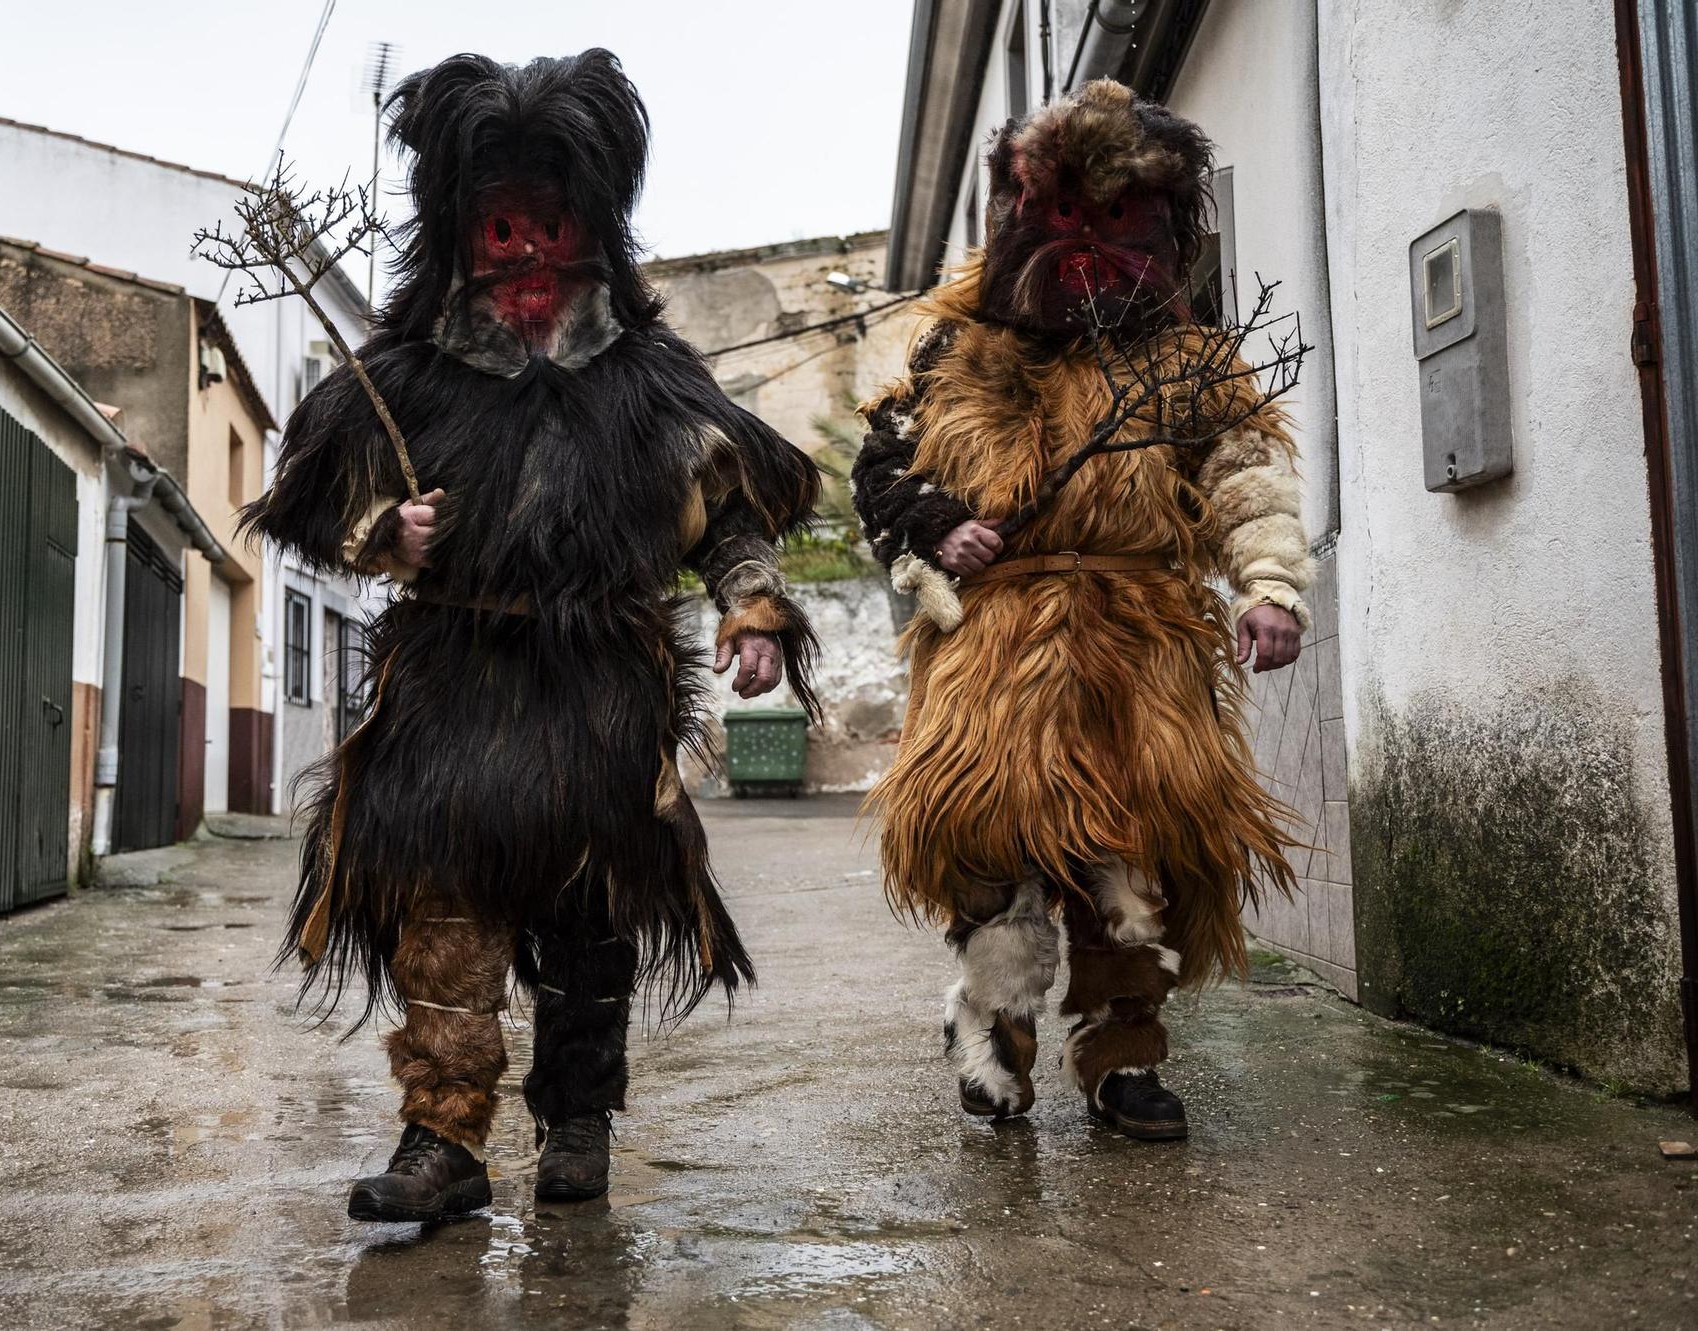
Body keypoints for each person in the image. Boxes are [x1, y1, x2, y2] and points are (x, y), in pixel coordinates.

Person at [244, 49, 821, 1220]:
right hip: (449, 694)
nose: (526, 266)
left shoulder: (651, 384)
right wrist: (383, 530)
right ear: (462, 237)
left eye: (546, 232)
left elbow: (729, 523)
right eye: (500, 234)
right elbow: (318, 503)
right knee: (441, 922)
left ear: (591, 234)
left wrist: (753, 611)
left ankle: (575, 1127)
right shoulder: (403, 377)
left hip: (602, 698)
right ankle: (439, 1139)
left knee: (589, 927)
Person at [851, 79, 1311, 1141]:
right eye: (1064, 218)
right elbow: (878, 470)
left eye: (1112, 220)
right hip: (995, 650)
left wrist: (1269, 584)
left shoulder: (1188, 363)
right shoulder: (947, 351)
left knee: (1131, 867)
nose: (1085, 246)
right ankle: (990, 1038)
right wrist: (936, 521)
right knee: (996, 855)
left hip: (1137, 647)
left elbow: (1244, 475)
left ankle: (1122, 1058)